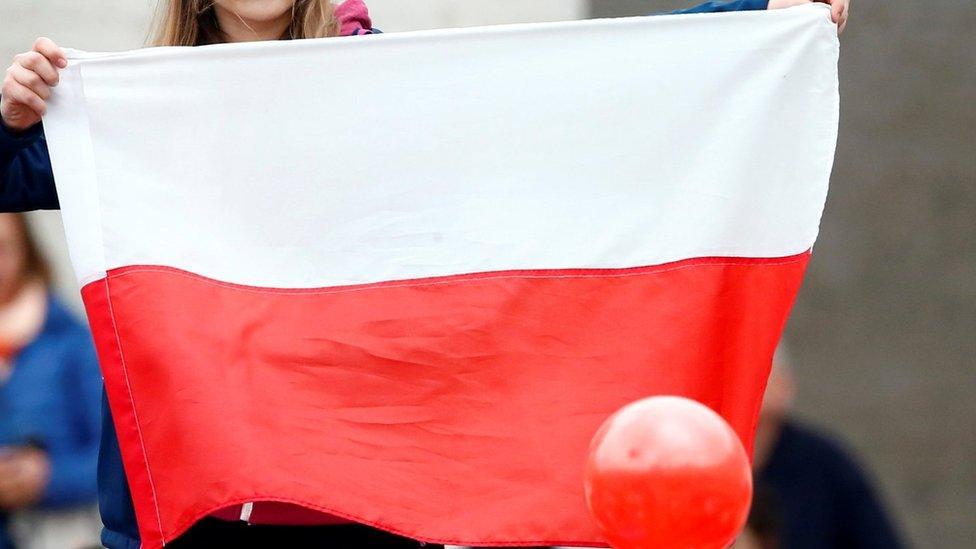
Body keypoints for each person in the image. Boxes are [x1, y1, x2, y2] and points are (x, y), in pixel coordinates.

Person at [0, 1, 851, 547]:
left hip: (356, 507)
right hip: (189, 515)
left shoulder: (382, 90)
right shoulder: (134, 114)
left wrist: (754, 17)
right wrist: (12, 119)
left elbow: (576, 89)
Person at [0, 213, 102, 549]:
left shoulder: (72, 343)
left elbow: (113, 461)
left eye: (2, 248)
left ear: (26, 251)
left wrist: (48, 478)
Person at [752, 344, 906, 548]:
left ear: (786, 385)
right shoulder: (700, 458)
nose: (749, 387)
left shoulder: (824, 463)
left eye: (762, 373)